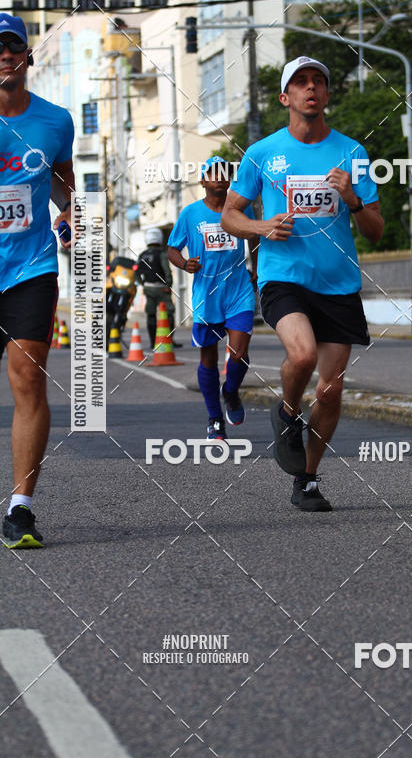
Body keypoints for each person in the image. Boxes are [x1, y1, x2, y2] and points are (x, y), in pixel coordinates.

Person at [222, 55, 384, 512]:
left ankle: (307, 480)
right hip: (282, 277)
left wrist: (353, 199)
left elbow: (376, 230)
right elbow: (229, 216)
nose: (311, 88)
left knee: (331, 388)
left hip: (337, 283)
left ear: (327, 95)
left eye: (318, 81)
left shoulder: (353, 152)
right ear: (285, 97)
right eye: (301, 82)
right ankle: (288, 412)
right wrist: (262, 227)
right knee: (303, 354)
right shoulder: (261, 153)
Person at [0, 14, 75, 548]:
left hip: (31, 267)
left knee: (28, 375)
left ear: (28, 56)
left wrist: (71, 215)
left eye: (12, 47)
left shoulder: (55, 121)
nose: (4, 56)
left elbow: (64, 187)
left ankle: (21, 508)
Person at [167, 156, 258, 440]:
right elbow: (172, 249)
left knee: (239, 353)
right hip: (207, 295)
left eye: (225, 172)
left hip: (238, 290)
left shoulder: (242, 209)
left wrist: (255, 267)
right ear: (204, 180)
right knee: (209, 357)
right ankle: (214, 418)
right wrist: (184, 264)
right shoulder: (190, 214)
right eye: (213, 172)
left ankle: (230, 392)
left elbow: (254, 238)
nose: (220, 176)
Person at [136, 226, 182, 348]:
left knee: (150, 314)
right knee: (169, 313)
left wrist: (142, 284)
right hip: (162, 289)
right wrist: (168, 285)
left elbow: (136, 272)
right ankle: (169, 340)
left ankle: (152, 343)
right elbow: (167, 271)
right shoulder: (162, 254)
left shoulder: (142, 255)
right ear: (160, 239)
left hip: (148, 289)